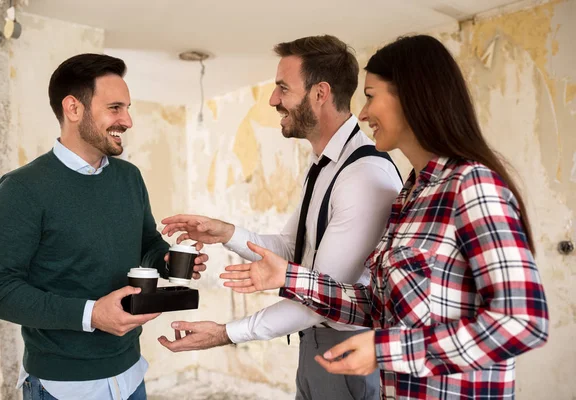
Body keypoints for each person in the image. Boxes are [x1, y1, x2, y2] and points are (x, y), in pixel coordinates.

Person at [220, 35, 549, 399]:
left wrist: (384, 350)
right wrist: (290, 278)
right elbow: (379, 308)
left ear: (412, 97)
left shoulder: (471, 185)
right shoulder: (412, 194)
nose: (362, 113)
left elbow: (523, 321)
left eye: (372, 95)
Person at [158, 35, 403, 400]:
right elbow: (293, 249)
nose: (273, 100)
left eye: (282, 88)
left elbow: (319, 295)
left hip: (346, 348)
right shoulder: (324, 167)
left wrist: (226, 333)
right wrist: (225, 233)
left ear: (320, 94)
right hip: (315, 345)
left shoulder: (363, 175)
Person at [0, 53, 208, 400]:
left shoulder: (129, 177)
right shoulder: (22, 189)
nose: (128, 120)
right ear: (73, 109)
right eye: (115, 108)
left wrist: (169, 261)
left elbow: (146, 242)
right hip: (62, 387)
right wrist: (91, 315)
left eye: (128, 108)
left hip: (131, 375)